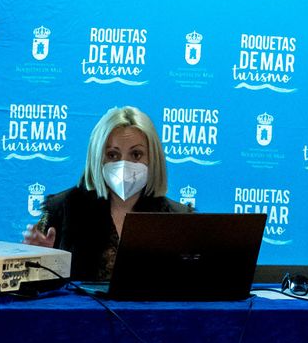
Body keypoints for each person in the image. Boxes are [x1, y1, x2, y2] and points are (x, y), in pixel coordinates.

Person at [23, 105, 191, 281]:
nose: (124, 164)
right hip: (80, 309)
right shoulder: (63, 209)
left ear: (153, 158)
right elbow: (30, 289)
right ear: (98, 158)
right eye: (112, 155)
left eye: (136, 154)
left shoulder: (179, 219)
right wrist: (38, 261)